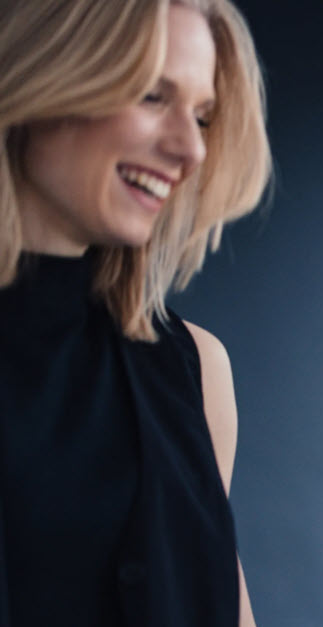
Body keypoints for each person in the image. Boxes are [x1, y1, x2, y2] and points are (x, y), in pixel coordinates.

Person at [0, 0, 270, 624]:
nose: (190, 148)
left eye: (202, 117)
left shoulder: (197, 371)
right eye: (153, 95)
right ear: (45, 76)